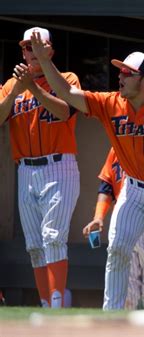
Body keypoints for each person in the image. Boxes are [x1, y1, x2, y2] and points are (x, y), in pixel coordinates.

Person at [32, 33, 144, 310]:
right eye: (120, 71)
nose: (120, 77)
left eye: (128, 73)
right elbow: (67, 94)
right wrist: (44, 61)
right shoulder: (111, 103)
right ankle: (110, 314)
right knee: (117, 249)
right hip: (134, 190)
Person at [0, 27, 80, 308]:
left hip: (59, 166)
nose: (30, 52)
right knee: (34, 244)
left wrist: (32, 88)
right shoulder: (12, 84)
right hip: (25, 169)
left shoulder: (66, 78)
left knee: (53, 237)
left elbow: (65, 111)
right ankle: (47, 304)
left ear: (50, 51)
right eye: (26, 47)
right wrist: (15, 92)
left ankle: (58, 302)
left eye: (36, 46)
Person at [83, 148, 144, 309]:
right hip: (124, 221)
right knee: (125, 293)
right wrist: (98, 216)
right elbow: (106, 184)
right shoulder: (116, 148)